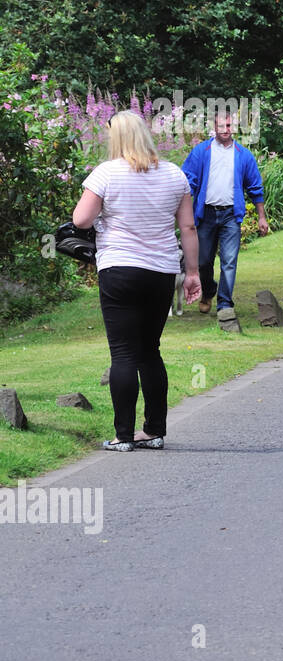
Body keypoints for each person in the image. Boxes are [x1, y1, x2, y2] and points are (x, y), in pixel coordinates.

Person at [73, 111, 200, 451]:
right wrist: (193, 273)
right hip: (161, 271)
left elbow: (81, 219)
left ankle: (124, 435)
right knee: (150, 352)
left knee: (124, 354)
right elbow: (188, 228)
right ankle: (155, 430)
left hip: (119, 269)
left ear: (116, 138)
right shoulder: (174, 174)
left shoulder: (107, 173)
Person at [181, 110, 268, 318]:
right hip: (206, 214)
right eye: (221, 126)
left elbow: (255, 187)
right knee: (203, 261)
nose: (225, 130)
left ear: (234, 127)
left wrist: (261, 217)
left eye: (229, 126)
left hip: (231, 215)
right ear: (214, 127)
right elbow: (187, 182)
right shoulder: (201, 152)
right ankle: (208, 291)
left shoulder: (243, 155)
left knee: (229, 261)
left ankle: (224, 304)